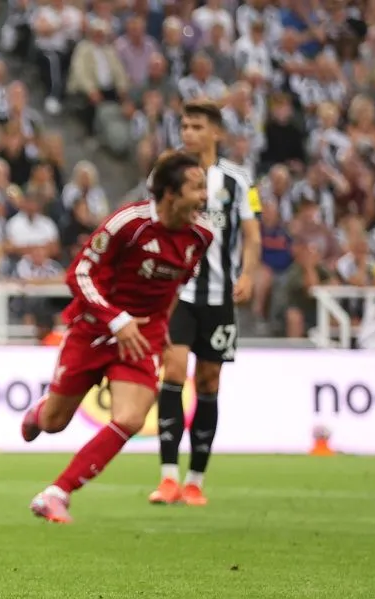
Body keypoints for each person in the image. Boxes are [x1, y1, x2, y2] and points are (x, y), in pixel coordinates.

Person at [20, 151, 212, 524]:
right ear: (170, 193)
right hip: (94, 327)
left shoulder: (201, 235)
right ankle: (40, 413)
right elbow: (78, 275)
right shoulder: (129, 223)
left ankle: (57, 492)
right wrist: (116, 320)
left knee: (131, 417)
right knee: (55, 422)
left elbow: (173, 287)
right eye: (196, 188)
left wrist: (162, 329)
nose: (203, 197)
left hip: (143, 336)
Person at [152, 101, 260, 506]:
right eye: (184, 125)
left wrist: (248, 273)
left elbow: (252, 234)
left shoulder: (237, 180)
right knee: (174, 371)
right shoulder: (167, 173)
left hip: (218, 297)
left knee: (209, 381)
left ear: (216, 132)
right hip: (177, 294)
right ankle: (167, 477)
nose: (188, 133)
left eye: (197, 126)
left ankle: (195, 479)